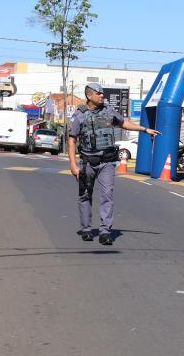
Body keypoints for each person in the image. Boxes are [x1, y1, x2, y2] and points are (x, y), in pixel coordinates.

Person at [68, 82, 160, 245]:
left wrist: (144, 129)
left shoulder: (109, 111)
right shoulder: (79, 115)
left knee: (107, 195)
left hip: (107, 162)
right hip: (87, 162)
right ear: (89, 96)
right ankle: (87, 229)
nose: (102, 96)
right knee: (85, 195)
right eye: (99, 93)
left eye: (103, 93)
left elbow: (124, 123)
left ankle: (105, 231)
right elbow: (72, 140)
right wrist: (73, 165)